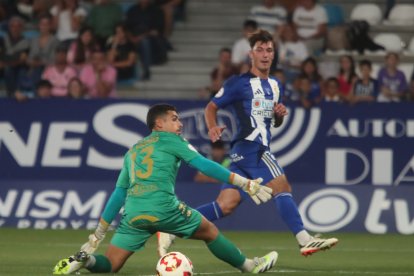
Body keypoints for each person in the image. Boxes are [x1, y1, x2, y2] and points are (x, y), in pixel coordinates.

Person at [158, 30, 338, 257]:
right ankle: (304, 240)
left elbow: (275, 121)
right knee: (282, 186)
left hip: (242, 153)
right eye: (260, 50)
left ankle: (172, 229)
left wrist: (279, 115)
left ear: (274, 55)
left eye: (269, 50)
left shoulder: (275, 85)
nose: (265, 54)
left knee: (226, 205)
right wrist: (212, 126)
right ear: (250, 54)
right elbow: (211, 107)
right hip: (253, 148)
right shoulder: (238, 83)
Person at [52, 104, 277, 275]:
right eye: (175, 119)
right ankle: (249, 266)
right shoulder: (172, 140)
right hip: (163, 207)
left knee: (110, 265)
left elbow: (119, 192)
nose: (180, 124)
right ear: (159, 124)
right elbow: (204, 165)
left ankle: (85, 260)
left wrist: (98, 234)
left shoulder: (133, 151)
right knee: (209, 231)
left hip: (134, 214)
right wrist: (244, 183)